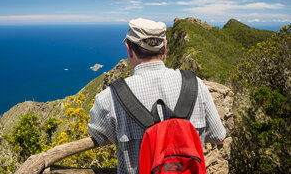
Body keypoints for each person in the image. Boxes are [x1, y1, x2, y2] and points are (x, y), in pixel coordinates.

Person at [88, 18, 226, 173]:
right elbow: (218, 135)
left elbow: (97, 133)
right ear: (165, 48)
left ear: (129, 49)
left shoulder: (109, 98)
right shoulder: (196, 85)